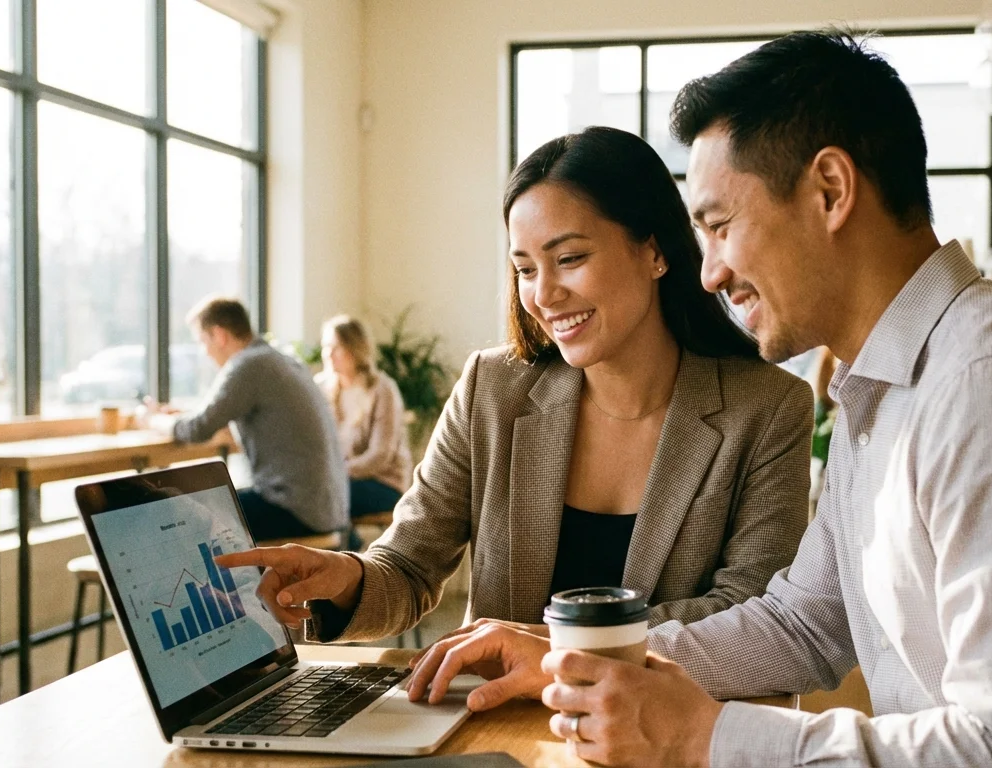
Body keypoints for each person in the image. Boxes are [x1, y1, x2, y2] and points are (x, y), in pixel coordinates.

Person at [398, 31, 992, 767]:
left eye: (721, 226)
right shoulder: (882, 387)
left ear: (831, 190)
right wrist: (563, 658)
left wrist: (705, 739)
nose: (710, 272)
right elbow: (805, 622)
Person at [216, 126, 812, 644]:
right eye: (526, 269)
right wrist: (347, 580)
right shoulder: (492, 389)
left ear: (653, 251)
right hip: (498, 731)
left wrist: (546, 646)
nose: (544, 295)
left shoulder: (766, 409)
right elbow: (409, 565)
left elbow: (748, 612)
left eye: (570, 258)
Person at [157, 297, 348, 541]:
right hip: (325, 509)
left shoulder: (248, 365)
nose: (204, 352)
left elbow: (198, 428)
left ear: (219, 335)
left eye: (202, 342)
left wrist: (152, 421)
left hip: (295, 511)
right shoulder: (277, 360)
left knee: (179, 516)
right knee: (203, 507)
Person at [315, 314, 413, 550]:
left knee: (327, 495)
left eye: (336, 347)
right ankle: (342, 549)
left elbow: (380, 455)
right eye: (325, 347)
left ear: (354, 348)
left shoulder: (382, 389)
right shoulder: (322, 388)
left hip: (383, 482)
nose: (328, 354)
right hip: (339, 480)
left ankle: (342, 555)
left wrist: (337, 473)